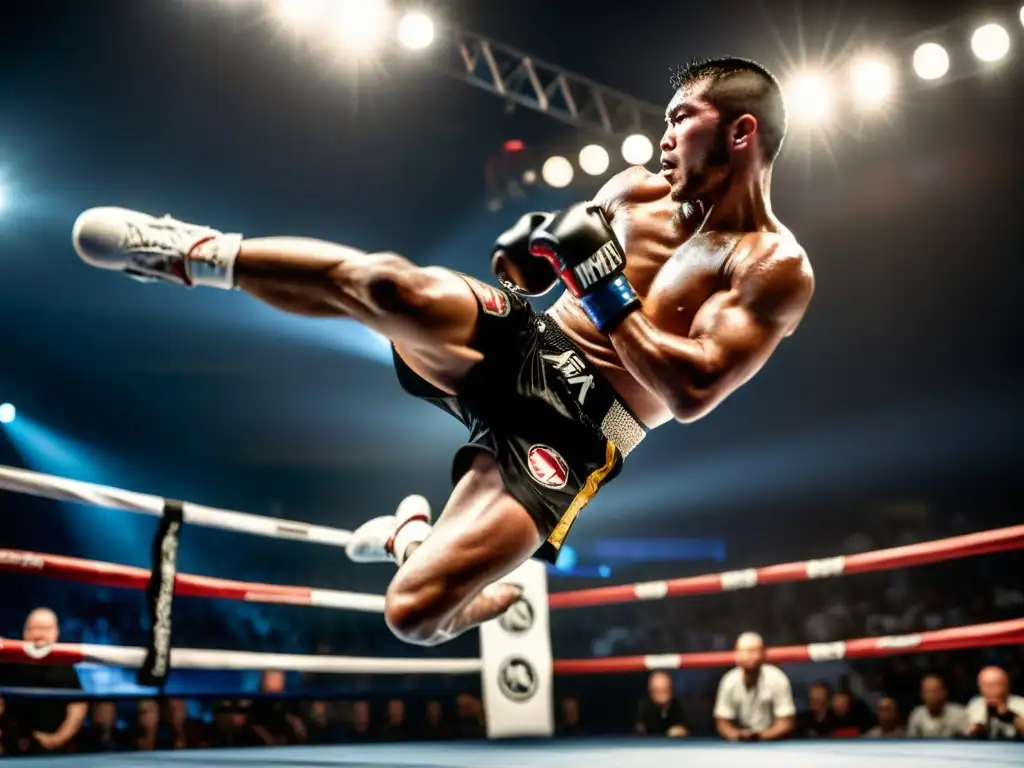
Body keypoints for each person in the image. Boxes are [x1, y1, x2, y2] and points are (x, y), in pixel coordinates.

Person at [72, 57, 813, 647]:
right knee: (387, 285)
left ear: (740, 132)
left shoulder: (771, 266)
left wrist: (601, 284)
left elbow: (691, 393)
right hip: (527, 339)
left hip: (585, 426)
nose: (663, 137)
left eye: (682, 119)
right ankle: (189, 252)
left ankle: (410, 539)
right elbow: (546, 255)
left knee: (413, 613)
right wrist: (529, 261)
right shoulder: (635, 190)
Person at [0, 608, 87, 755]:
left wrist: (57, 739)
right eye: (33, 628)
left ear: (56, 633)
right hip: (14, 746)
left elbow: (77, 707)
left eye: (45, 629)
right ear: (24, 632)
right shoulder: (10, 662)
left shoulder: (65, 666)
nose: (38, 634)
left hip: (57, 749)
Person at [714, 632, 796, 741]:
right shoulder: (729, 681)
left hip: (775, 743)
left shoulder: (777, 679)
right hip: (739, 745)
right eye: (743, 651)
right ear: (736, 654)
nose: (748, 656)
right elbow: (722, 723)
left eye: (753, 651)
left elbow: (786, 723)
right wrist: (737, 735)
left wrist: (759, 736)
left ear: (763, 654)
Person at [965, 666, 1024, 740]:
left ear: (1007, 685)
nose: (991, 689)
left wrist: (1011, 716)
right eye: (987, 685)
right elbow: (968, 733)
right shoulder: (975, 705)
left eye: (996, 684)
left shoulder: (1021, 704)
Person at [907, 674, 968, 739]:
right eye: (927, 692)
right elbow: (911, 742)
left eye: (935, 691)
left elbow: (967, 741)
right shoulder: (917, 715)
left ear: (944, 692)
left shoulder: (958, 714)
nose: (931, 696)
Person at [634, 672, 688, 737]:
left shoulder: (679, 706)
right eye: (657, 690)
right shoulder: (644, 707)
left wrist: (682, 730)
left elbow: (688, 728)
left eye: (664, 690)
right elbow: (639, 730)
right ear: (650, 691)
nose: (661, 694)